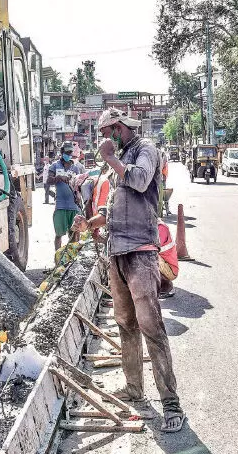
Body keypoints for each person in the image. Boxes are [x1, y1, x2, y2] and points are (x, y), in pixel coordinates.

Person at [71, 108, 185, 433]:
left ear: (120, 128)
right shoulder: (118, 160)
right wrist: (89, 223)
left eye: (109, 132)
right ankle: (134, 387)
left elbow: (137, 180)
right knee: (125, 324)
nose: (105, 139)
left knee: (152, 327)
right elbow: (112, 209)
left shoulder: (145, 150)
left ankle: (171, 404)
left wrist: (110, 159)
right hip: (117, 253)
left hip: (141, 254)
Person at [47, 141, 84, 251]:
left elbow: (79, 186)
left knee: (74, 235)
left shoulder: (75, 168)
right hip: (60, 206)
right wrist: (58, 178)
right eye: (67, 152)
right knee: (59, 234)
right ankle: (58, 259)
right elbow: (48, 180)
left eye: (70, 153)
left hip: (73, 206)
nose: (69, 155)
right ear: (62, 152)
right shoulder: (54, 166)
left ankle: (71, 258)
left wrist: (78, 195)